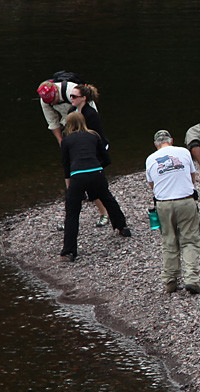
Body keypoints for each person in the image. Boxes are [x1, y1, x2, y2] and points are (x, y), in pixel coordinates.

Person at [59, 113, 131, 262]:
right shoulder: (94, 136)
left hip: (77, 175)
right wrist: (97, 168)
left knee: (72, 212)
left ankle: (69, 251)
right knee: (107, 198)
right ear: (84, 121)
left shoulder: (66, 141)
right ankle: (122, 227)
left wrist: (69, 184)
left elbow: (66, 165)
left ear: (68, 125)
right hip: (96, 172)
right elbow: (106, 159)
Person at [146, 130, 200, 294]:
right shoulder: (184, 152)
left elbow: (152, 185)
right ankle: (191, 279)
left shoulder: (150, 159)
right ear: (171, 140)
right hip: (185, 200)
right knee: (189, 240)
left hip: (163, 204)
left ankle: (170, 280)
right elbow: (191, 176)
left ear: (156, 144)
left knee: (169, 240)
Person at [68, 83, 111, 227]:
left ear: (84, 98)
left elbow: (97, 138)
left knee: (95, 185)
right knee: (89, 185)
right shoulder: (72, 111)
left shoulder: (91, 114)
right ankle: (105, 212)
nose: (71, 98)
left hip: (94, 152)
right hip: (81, 152)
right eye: (70, 96)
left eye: (74, 96)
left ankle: (105, 213)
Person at [37, 78, 97, 145]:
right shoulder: (44, 100)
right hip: (67, 121)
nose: (52, 104)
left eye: (53, 100)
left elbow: (92, 112)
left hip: (84, 117)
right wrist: (61, 142)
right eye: (49, 102)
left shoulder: (71, 90)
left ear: (56, 91)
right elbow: (53, 122)